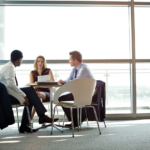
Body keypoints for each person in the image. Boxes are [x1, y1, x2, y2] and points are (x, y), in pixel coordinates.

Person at [0, 50, 58, 133]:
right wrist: (24, 95)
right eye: (21, 60)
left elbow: (10, 86)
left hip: (7, 93)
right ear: (19, 59)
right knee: (30, 92)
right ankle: (39, 117)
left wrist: (24, 95)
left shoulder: (9, 66)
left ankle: (28, 123)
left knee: (30, 92)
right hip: (5, 97)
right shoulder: (10, 68)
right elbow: (11, 85)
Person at [58, 51, 94, 127]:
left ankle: (78, 119)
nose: (69, 61)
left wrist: (66, 82)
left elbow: (76, 82)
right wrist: (64, 81)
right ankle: (77, 119)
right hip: (78, 93)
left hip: (84, 95)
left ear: (75, 60)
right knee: (62, 98)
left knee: (62, 98)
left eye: (70, 59)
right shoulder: (75, 69)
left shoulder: (84, 68)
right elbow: (69, 79)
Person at [30, 55, 54, 122]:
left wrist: (49, 82)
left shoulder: (48, 70)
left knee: (37, 95)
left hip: (47, 93)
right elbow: (31, 84)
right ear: (36, 62)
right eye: (38, 61)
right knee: (38, 98)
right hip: (37, 93)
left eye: (42, 61)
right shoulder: (32, 73)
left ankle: (31, 117)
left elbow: (53, 82)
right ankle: (42, 117)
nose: (40, 63)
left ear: (44, 63)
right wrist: (34, 84)